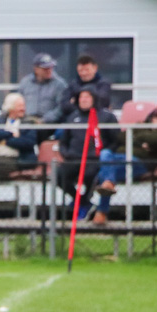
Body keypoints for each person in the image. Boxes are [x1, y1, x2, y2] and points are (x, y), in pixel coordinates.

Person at [92, 107, 157, 224]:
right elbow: (121, 136)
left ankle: (101, 211)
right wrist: (142, 142)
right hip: (120, 160)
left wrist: (135, 137)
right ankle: (108, 187)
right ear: (152, 119)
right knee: (105, 154)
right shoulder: (140, 126)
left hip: (140, 165)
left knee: (104, 173)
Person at [56, 86, 119, 220]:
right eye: (81, 97)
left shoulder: (106, 117)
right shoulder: (72, 117)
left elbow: (116, 140)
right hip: (73, 158)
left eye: (87, 97)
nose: (84, 100)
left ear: (94, 99)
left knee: (90, 175)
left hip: (94, 159)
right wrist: (66, 153)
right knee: (59, 175)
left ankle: (82, 203)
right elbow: (63, 141)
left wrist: (102, 154)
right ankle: (82, 201)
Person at [0, 93, 38, 201]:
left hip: (17, 160)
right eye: (20, 106)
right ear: (11, 107)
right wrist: (11, 134)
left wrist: (5, 141)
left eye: (23, 105)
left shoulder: (29, 122)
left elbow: (27, 142)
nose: (23, 108)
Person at [17, 52, 67, 140]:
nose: (49, 70)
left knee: (35, 133)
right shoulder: (25, 82)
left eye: (51, 67)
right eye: (45, 68)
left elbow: (62, 107)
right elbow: (18, 101)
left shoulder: (59, 84)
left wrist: (45, 119)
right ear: (36, 69)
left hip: (48, 123)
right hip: (26, 120)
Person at [58, 54, 112, 121]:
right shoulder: (73, 85)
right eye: (80, 70)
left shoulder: (103, 84)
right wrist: (82, 109)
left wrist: (75, 102)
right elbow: (64, 105)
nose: (84, 73)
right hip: (74, 121)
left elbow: (103, 101)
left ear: (95, 68)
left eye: (87, 70)